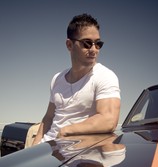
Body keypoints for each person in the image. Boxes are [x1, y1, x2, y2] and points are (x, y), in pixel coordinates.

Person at [33, 13, 121, 145]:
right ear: (69, 45)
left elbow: (108, 120)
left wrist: (66, 131)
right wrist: (34, 147)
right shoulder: (57, 78)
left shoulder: (105, 76)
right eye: (87, 43)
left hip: (74, 152)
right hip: (46, 148)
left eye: (98, 44)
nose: (93, 49)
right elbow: (49, 117)